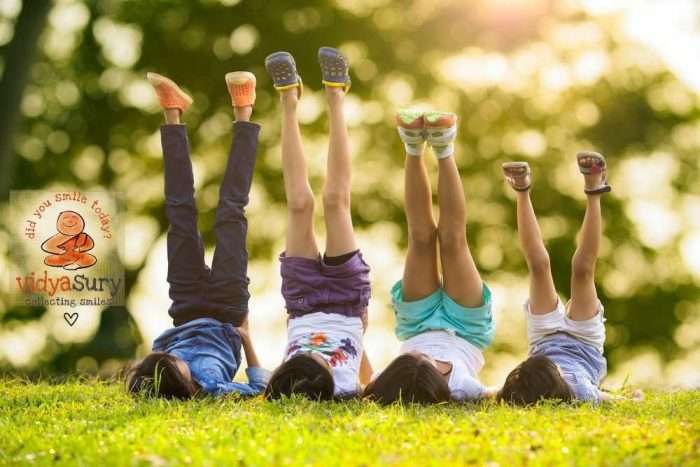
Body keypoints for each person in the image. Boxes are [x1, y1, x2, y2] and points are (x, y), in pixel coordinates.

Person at [125, 71, 268, 398]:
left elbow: (150, 368)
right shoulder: (212, 387)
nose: (170, 360)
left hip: (185, 304)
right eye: (173, 365)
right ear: (183, 380)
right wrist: (247, 340)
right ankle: (244, 113)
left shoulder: (151, 378)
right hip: (228, 310)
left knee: (179, 213)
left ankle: (172, 113)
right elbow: (259, 388)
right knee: (231, 211)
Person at [363, 109, 495, 404]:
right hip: (466, 328)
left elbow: (360, 383)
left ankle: (413, 145)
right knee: (453, 241)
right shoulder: (461, 387)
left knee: (420, 238)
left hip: (416, 323)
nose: (424, 357)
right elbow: (501, 395)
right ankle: (444, 147)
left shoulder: (386, 381)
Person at [263, 47, 373, 400]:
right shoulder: (344, 388)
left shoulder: (283, 385)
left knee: (299, 204)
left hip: (303, 301)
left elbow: (257, 382)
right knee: (335, 202)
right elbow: (371, 382)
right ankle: (336, 95)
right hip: (346, 300)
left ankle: (289, 99)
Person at [497, 153, 612, 404]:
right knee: (582, 271)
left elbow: (493, 392)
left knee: (539, 266)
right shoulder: (581, 393)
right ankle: (595, 189)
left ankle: (521, 189)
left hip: (544, 340)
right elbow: (610, 399)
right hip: (585, 344)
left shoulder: (523, 392)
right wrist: (633, 400)